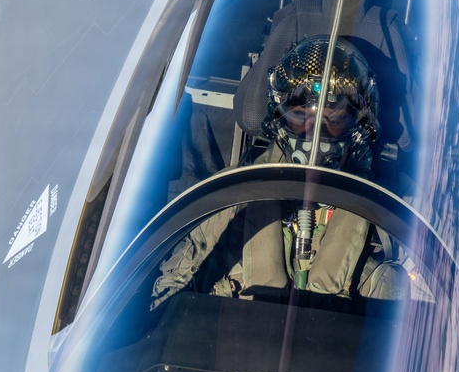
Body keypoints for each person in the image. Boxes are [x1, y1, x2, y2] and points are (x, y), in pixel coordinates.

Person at [150, 36, 409, 309]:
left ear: (360, 125)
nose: (315, 134)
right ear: (279, 118)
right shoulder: (228, 198)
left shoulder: (397, 214)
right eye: (300, 117)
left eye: (333, 120)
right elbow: (167, 299)